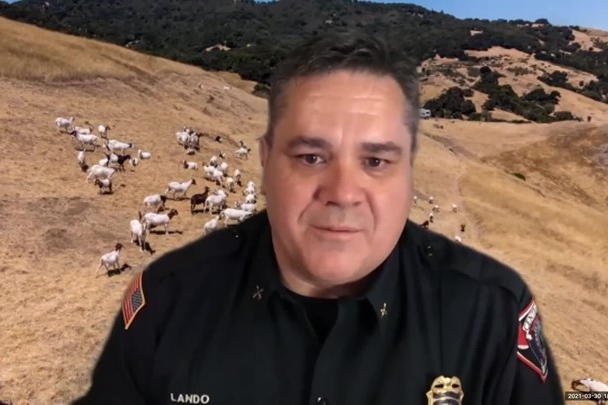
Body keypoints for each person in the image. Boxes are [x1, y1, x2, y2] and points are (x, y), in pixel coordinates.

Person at [73, 30, 564, 405]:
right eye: (311, 157)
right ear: (266, 163)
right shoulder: (168, 303)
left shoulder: (490, 316)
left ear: (409, 172)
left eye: (376, 161)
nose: (343, 194)